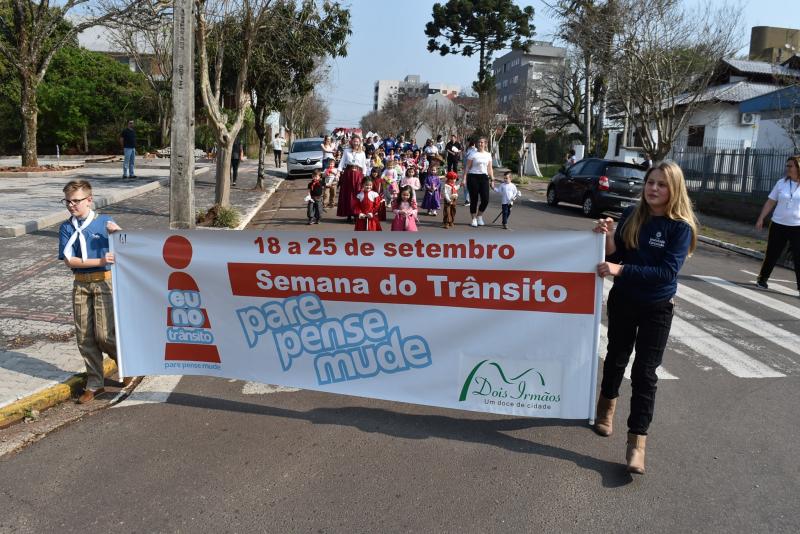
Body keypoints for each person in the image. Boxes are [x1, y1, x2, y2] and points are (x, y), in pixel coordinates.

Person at [592, 160, 697, 475]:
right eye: (651, 182)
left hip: (657, 307)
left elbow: (665, 272)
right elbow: (616, 256)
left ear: (673, 189)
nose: (653, 188)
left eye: (661, 184)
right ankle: (605, 410)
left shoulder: (681, 227)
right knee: (615, 358)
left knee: (645, 374)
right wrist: (607, 237)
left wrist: (619, 269)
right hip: (623, 301)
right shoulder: (631, 215)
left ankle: (637, 443)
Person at [58, 180, 123, 404]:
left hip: (104, 282)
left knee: (104, 335)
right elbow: (69, 260)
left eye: (76, 201)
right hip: (81, 284)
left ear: (89, 200)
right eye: (67, 201)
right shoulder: (67, 227)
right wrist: (99, 259)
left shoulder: (104, 221)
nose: (71, 206)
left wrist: (118, 233)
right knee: (84, 337)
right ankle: (95, 384)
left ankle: (127, 364)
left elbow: (124, 245)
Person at [755, 155, 800, 293]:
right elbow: (770, 202)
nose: (787, 168)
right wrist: (761, 218)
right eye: (787, 166)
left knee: (798, 257)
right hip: (778, 225)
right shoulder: (781, 183)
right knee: (772, 253)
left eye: (790, 166)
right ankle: (762, 279)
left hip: (797, 227)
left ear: (798, 167)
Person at [337, 135, 367, 223]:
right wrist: (338, 172)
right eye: (354, 141)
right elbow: (342, 162)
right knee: (348, 194)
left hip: (358, 175)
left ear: (360, 142)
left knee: (357, 194)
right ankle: (349, 214)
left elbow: (364, 165)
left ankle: (356, 214)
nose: (356, 143)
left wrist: (364, 177)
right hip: (348, 174)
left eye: (357, 141)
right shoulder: (346, 151)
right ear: (351, 142)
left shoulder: (362, 153)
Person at [464, 137, 494, 228]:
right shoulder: (473, 154)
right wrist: (464, 178)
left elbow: (490, 168)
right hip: (473, 177)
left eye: (482, 142)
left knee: (485, 199)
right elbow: (467, 167)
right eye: (479, 142)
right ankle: (473, 219)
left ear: (485, 144)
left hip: (484, 177)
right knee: (474, 199)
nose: (480, 144)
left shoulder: (488, 155)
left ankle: (479, 216)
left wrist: (492, 179)